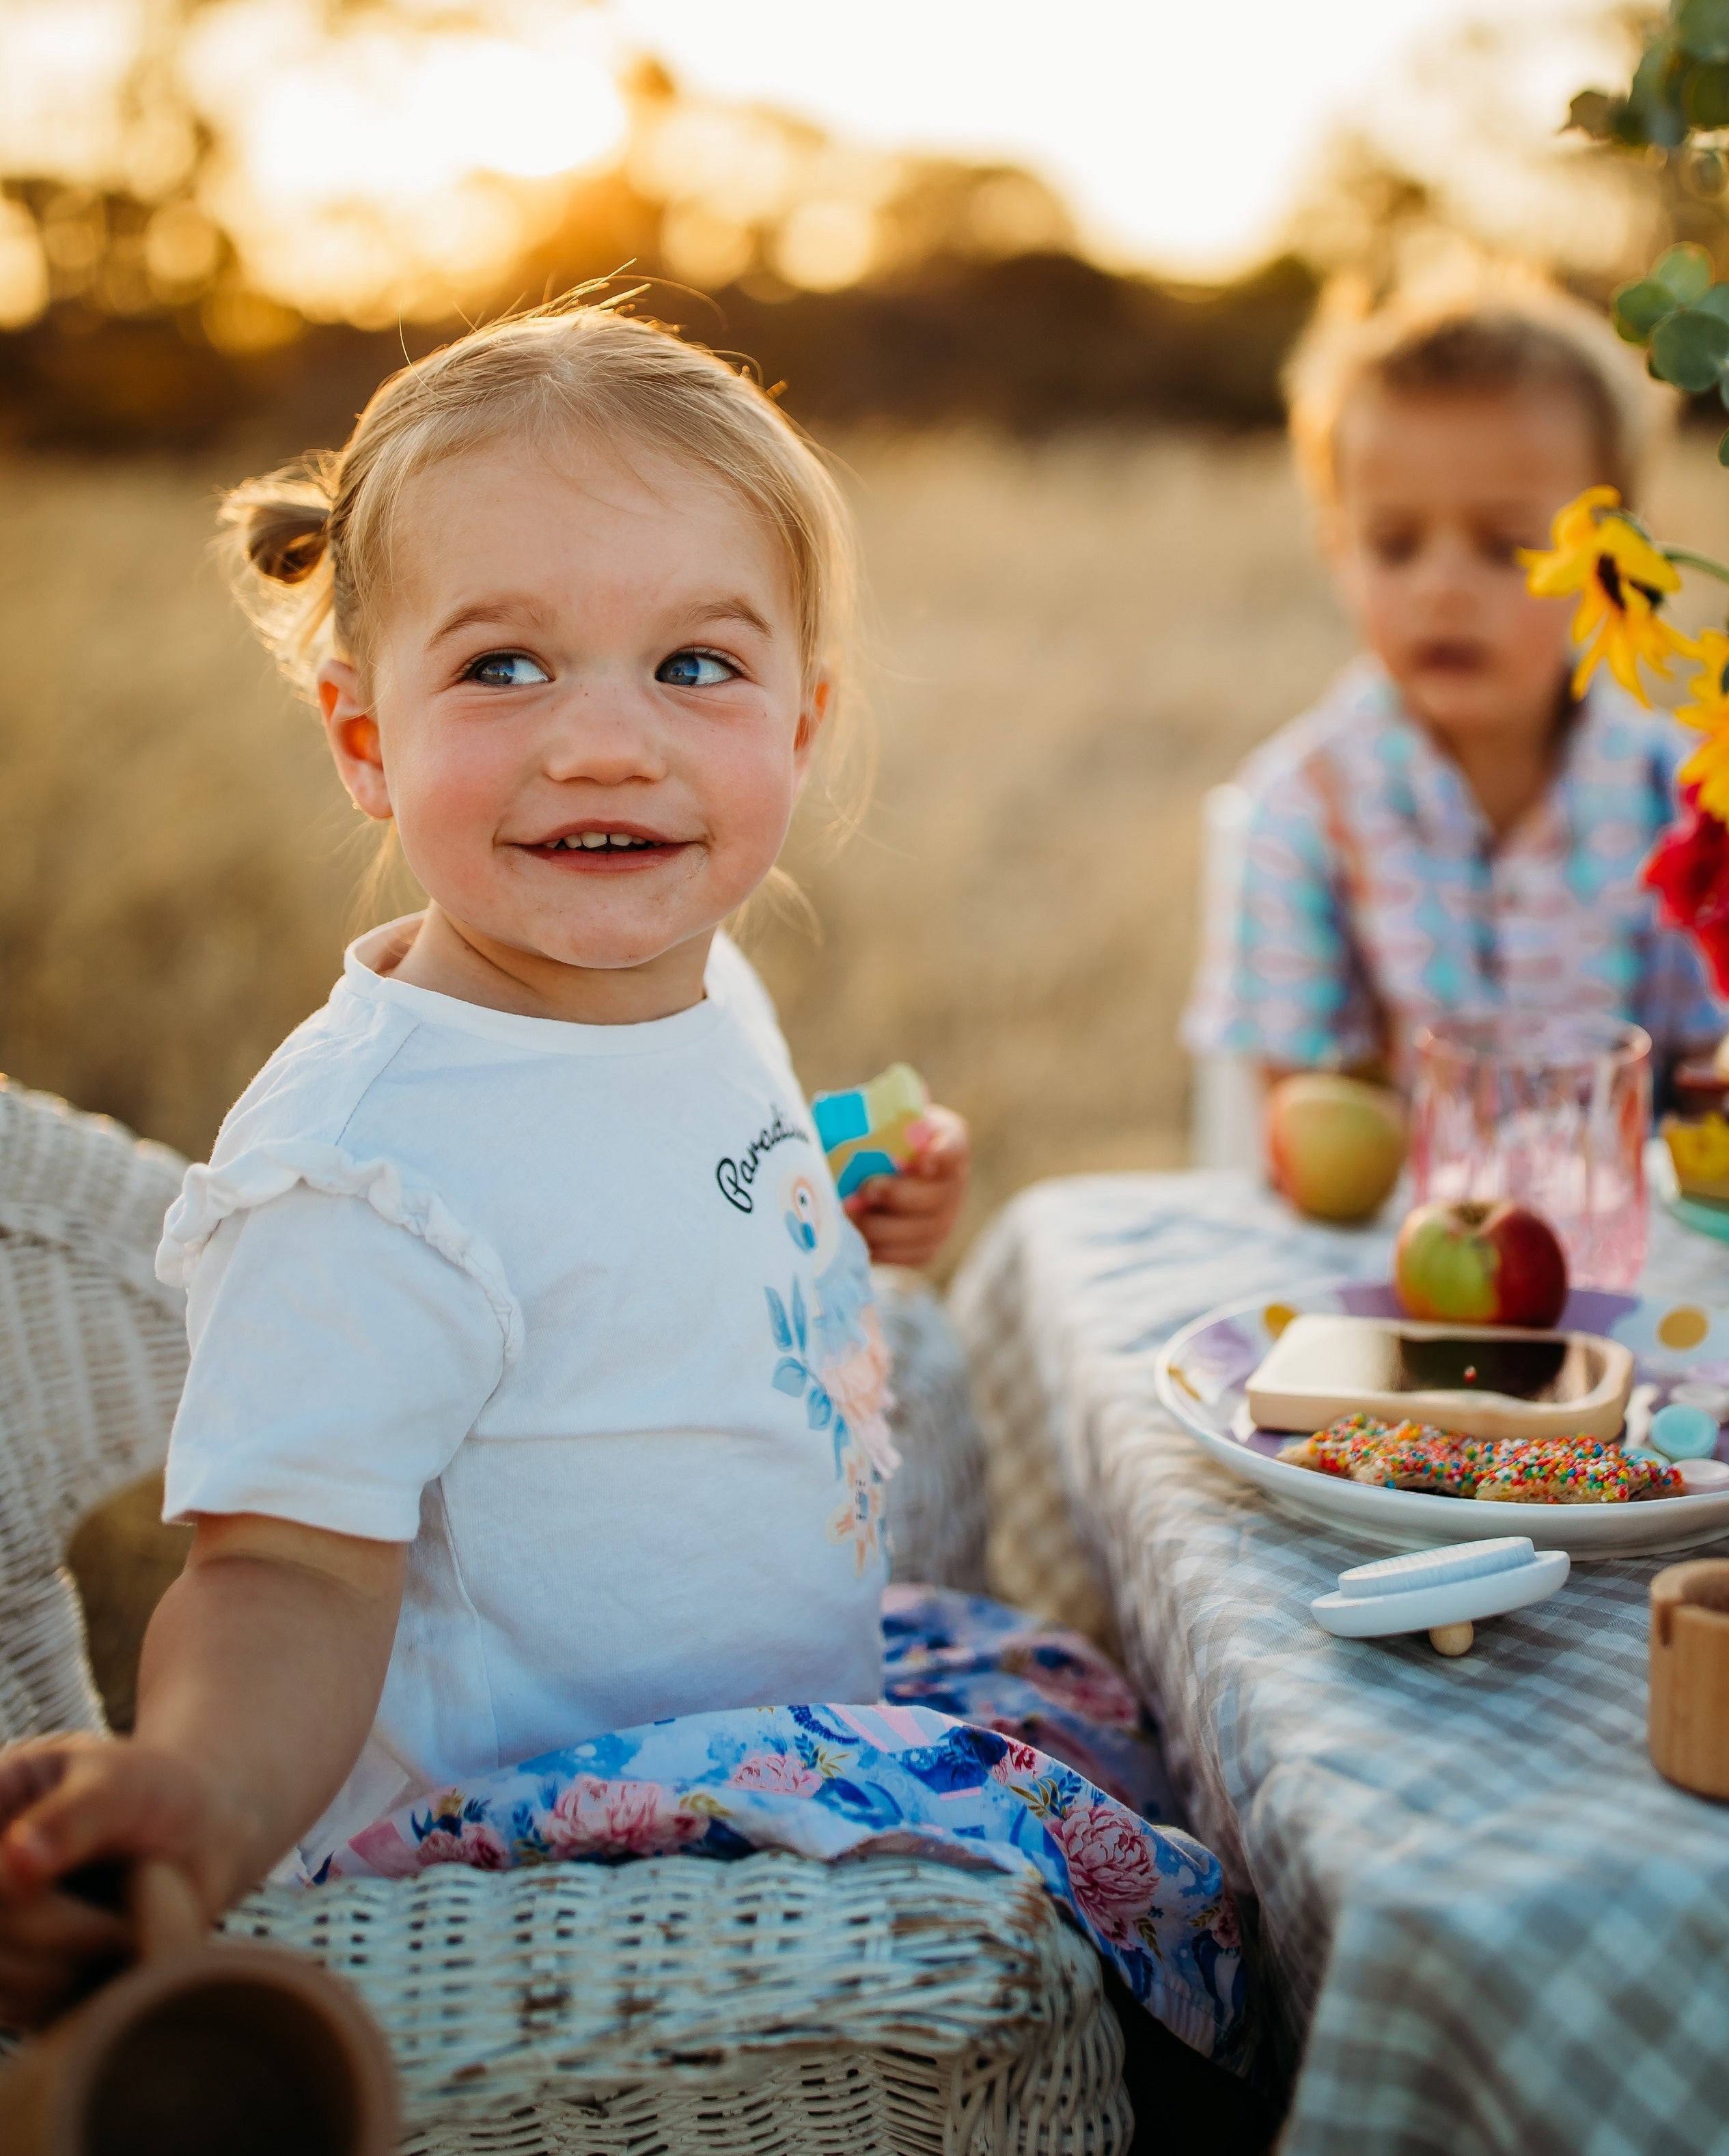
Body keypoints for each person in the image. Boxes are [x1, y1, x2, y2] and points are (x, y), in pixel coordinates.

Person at [0, 305, 1245, 2067]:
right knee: (1139, 1897)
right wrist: (196, 1789)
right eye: (504, 666)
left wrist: (832, 1190)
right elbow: (284, 1570)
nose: (604, 742)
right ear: (364, 733)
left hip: (774, 1703)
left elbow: (647, 1187)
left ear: (799, 725)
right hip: (550, 1840)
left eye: (694, 665)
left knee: (1117, 1713)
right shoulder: (369, 1168)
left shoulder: (690, 969)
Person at [1182, 281, 1729, 1098]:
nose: (1441, 588)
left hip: (1629, 1220)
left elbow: (1718, 1088)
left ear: (1615, 558)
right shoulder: (1302, 811)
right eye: (1395, 546)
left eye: (1507, 548)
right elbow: (1303, 1117)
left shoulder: (1683, 798)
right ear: (1338, 552)